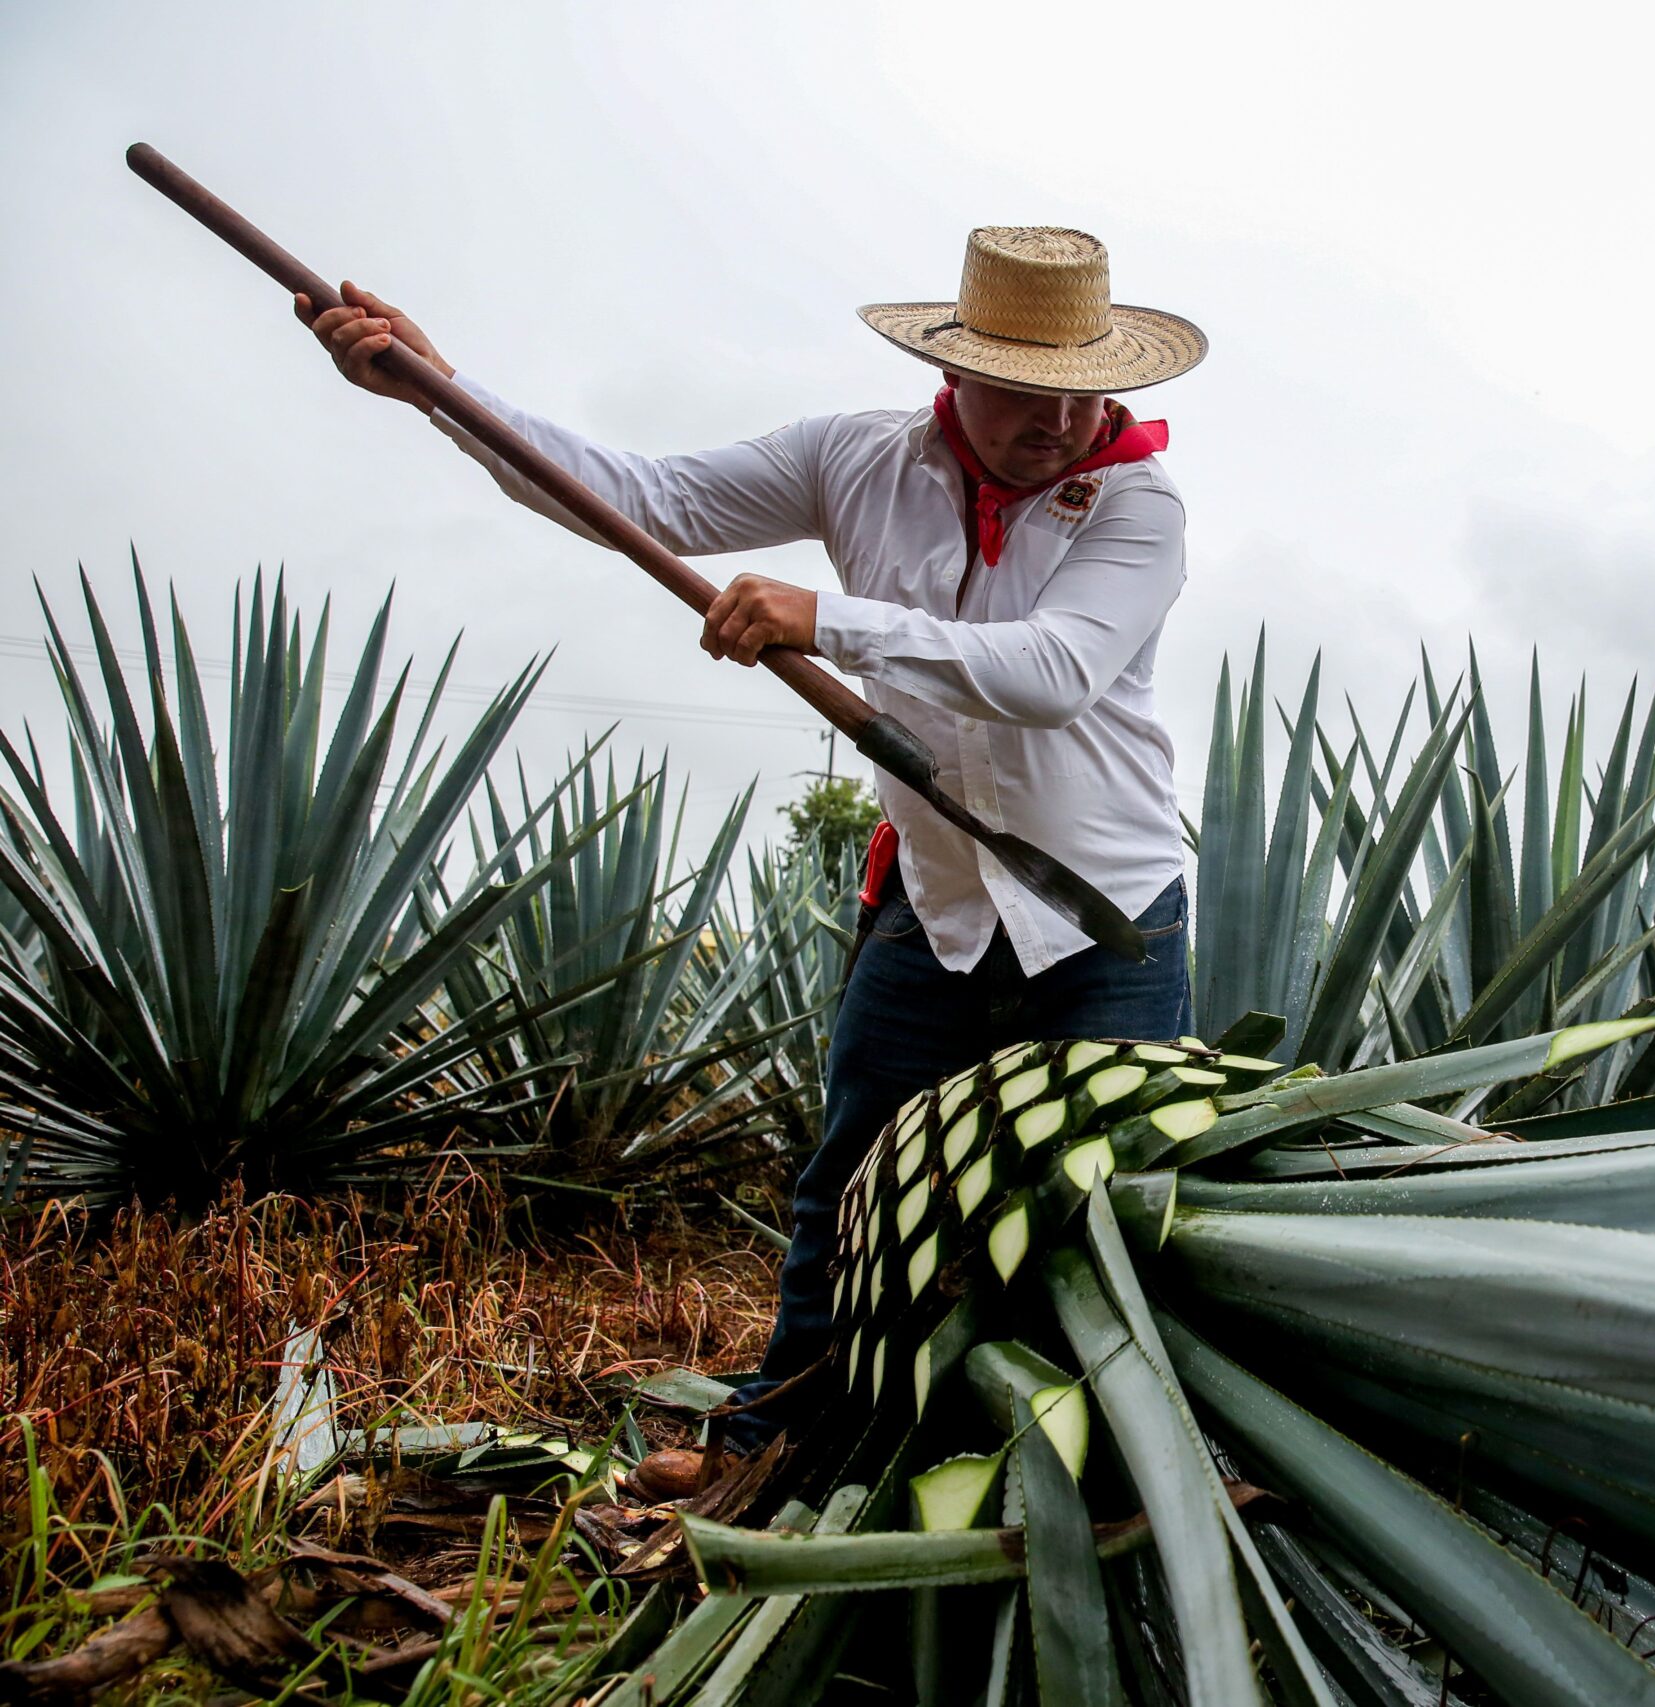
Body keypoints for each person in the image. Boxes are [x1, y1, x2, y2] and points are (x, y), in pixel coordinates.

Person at [300, 227, 1206, 1496]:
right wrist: (442, 398)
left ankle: (1092, 1480)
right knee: (848, 1192)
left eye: (1080, 389)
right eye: (1018, 383)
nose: (1054, 418)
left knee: (1099, 1204)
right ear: (955, 369)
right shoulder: (853, 459)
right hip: (938, 904)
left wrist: (825, 618)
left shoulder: (1138, 503)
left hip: (1103, 916)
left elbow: (1055, 676)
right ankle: (768, 1456)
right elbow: (638, 500)